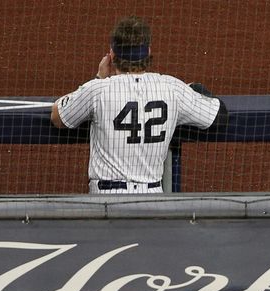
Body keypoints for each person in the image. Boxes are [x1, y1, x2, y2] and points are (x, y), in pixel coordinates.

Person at [51, 16, 228, 194]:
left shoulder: (98, 89)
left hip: (105, 200)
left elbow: (58, 117)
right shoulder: (172, 88)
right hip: (151, 200)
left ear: (112, 55)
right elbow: (219, 116)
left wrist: (98, 78)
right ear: (148, 52)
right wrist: (193, 88)